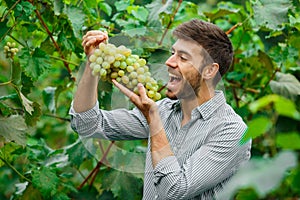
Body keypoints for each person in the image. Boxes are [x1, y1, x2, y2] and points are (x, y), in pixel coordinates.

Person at [69, 19, 251, 199]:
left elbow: (175, 191)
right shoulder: (164, 110)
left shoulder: (233, 132)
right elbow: (87, 123)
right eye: (173, 53)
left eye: (183, 57)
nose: (169, 62)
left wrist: (154, 121)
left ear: (209, 71)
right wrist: (93, 63)